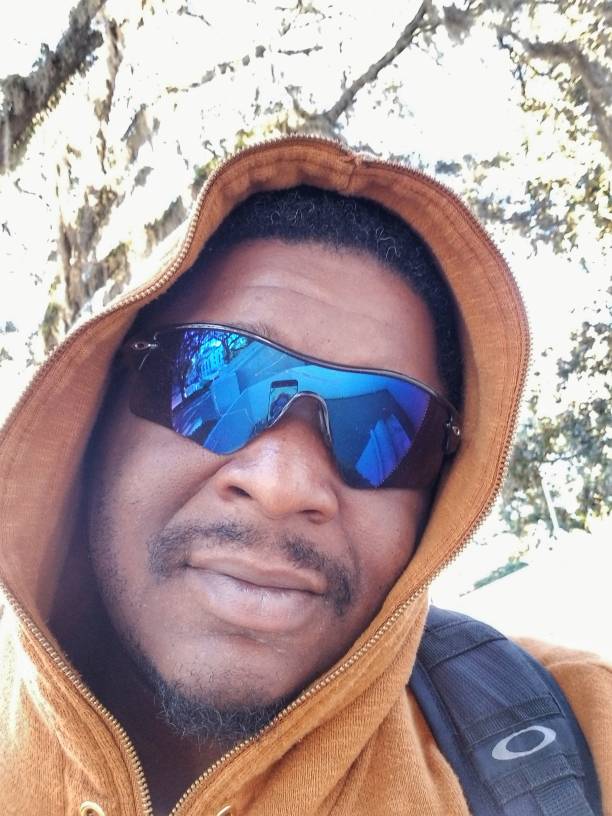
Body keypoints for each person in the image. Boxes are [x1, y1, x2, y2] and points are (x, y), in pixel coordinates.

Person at [0, 137, 609, 816]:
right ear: (95, 414)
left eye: (383, 427)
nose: (282, 485)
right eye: (216, 382)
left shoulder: (584, 735)